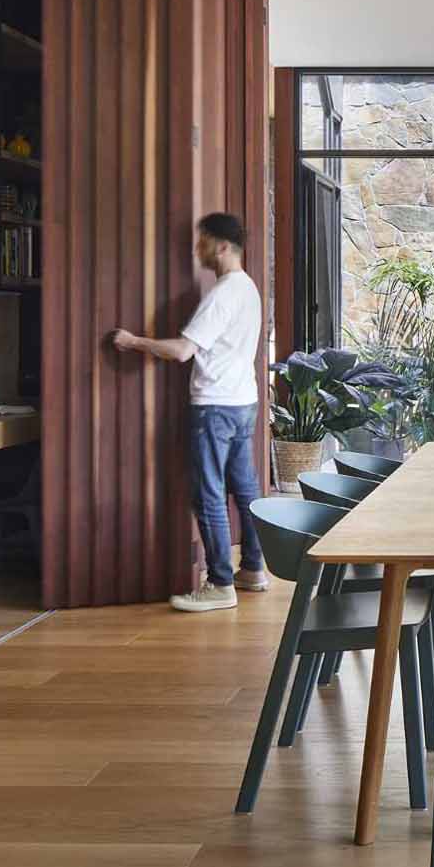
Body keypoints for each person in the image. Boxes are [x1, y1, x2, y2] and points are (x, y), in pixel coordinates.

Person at [111, 213, 265, 611]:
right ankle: (252, 569)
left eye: (202, 242)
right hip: (243, 402)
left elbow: (182, 351)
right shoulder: (248, 289)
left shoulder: (224, 293)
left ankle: (219, 584)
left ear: (222, 246)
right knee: (244, 489)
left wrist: (131, 341)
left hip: (215, 407)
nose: (197, 249)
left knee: (208, 494)